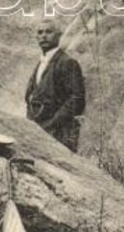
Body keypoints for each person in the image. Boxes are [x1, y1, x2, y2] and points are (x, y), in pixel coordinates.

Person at [25, 19, 85, 151]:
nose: (43, 36)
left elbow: (77, 100)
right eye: (40, 32)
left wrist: (52, 123)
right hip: (38, 130)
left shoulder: (68, 62)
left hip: (60, 133)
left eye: (48, 32)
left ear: (59, 35)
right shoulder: (41, 63)